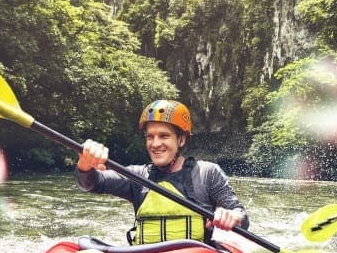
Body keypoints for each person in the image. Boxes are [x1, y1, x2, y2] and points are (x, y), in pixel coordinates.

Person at [76, 99, 247, 245]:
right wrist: (85, 164)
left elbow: (242, 217)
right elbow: (92, 183)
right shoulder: (137, 176)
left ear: (181, 140)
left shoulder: (207, 173)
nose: (155, 144)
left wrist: (233, 216)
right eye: (150, 136)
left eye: (164, 136)